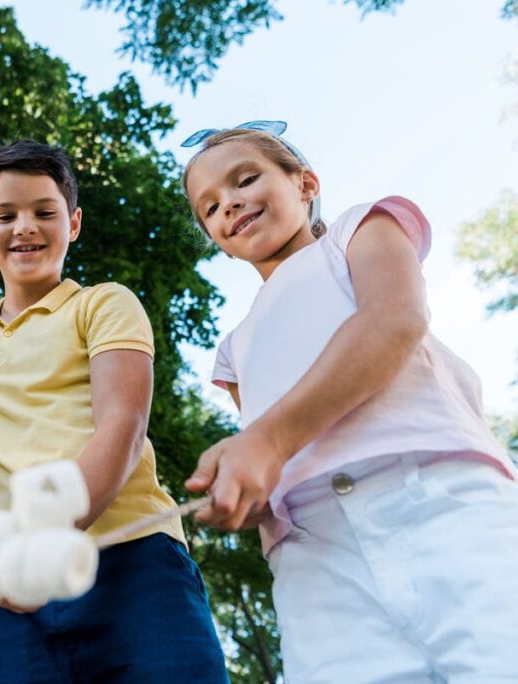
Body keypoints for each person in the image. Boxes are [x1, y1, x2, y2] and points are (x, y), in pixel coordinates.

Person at [182, 121, 518, 682]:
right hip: (313, 557)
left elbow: (393, 321)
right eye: (210, 208)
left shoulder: (357, 230)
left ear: (305, 184)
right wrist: (243, 491)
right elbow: (269, 457)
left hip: (436, 496)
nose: (230, 205)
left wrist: (263, 442)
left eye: (245, 180)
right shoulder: (234, 346)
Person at [0, 140, 228, 683]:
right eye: (5, 215)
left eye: (44, 212)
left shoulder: (104, 303)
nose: (25, 226)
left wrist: (49, 537)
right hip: (8, 590)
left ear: (73, 223)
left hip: (131, 560)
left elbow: (123, 424)